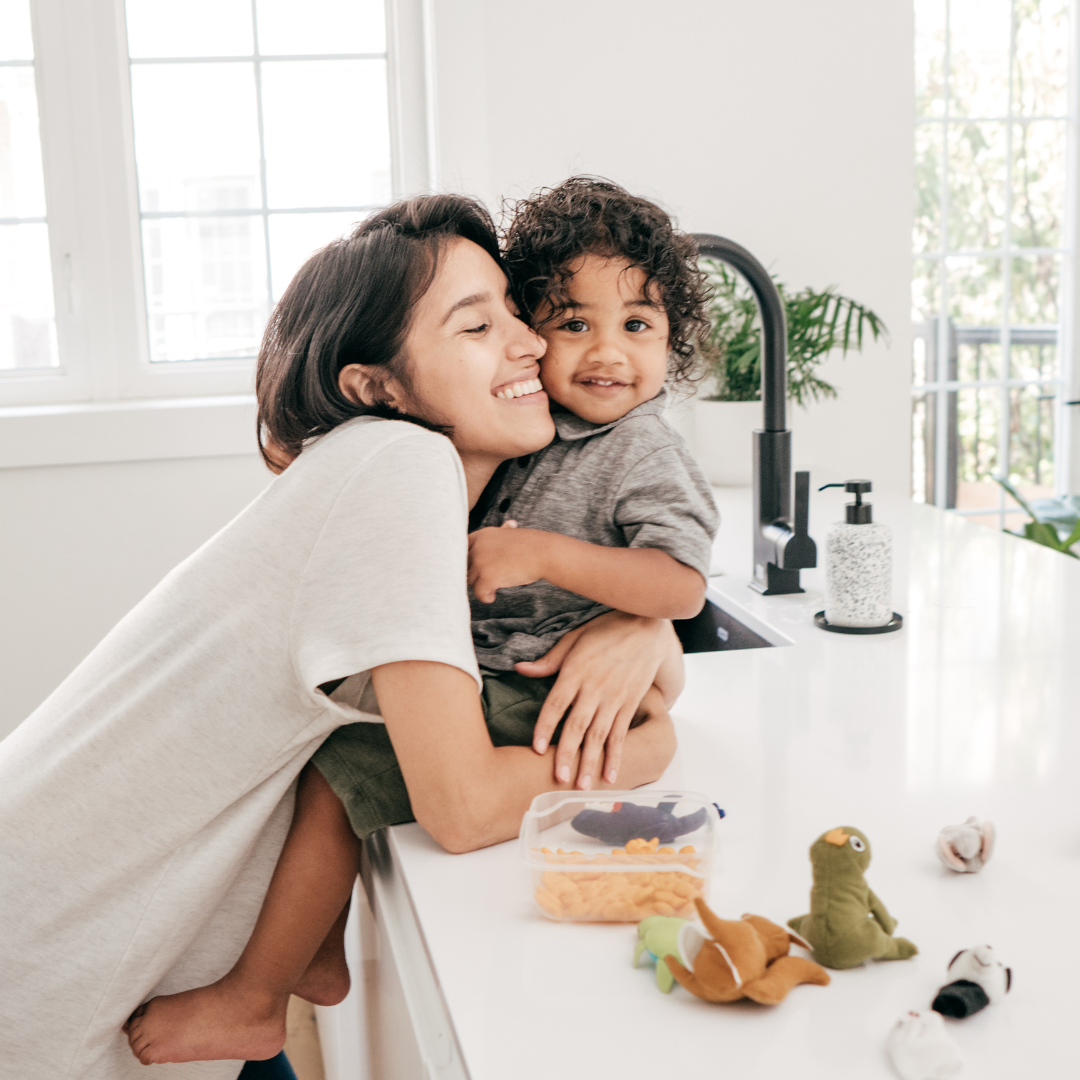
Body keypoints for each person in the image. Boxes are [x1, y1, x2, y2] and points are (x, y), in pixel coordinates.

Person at [0, 194, 677, 1080]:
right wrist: (652, 745)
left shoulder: (427, 495)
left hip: (159, 962)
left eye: (514, 309)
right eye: (476, 326)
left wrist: (646, 625)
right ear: (379, 386)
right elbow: (465, 807)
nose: (530, 343)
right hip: (50, 967)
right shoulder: (399, 468)